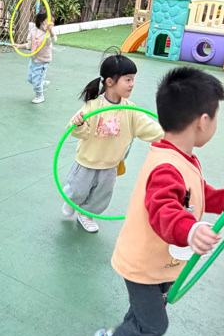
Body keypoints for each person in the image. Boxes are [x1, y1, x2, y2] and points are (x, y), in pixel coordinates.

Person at [94, 66, 224, 336]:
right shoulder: (167, 167)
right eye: (216, 117)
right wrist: (191, 230)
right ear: (203, 121)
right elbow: (164, 210)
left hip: (163, 261)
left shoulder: (180, 157)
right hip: (143, 262)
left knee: (149, 308)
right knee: (155, 323)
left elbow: (198, 193)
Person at [62, 51, 162, 233]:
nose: (132, 84)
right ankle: (72, 200)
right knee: (78, 189)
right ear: (110, 82)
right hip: (87, 161)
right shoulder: (93, 106)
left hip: (110, 165)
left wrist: (169, 136)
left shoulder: (130, 110)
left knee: (101, 196)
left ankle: (87, 214)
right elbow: (79, 131)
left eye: (133, 79)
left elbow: (147, 126)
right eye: (128, 79)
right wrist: (78, 124)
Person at [26, 5, 56, 103]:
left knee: (36, 83)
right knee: (30, 79)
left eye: (52, 22)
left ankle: (40, 96)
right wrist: (18, 46)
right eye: (49, 21)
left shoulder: (48, 34)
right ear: (41, 21)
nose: (50, 24)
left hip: (43, 61)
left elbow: (54, 39)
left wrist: (50, 30)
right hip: (33, 59)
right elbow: (29, 45)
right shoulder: (34, 31)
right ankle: (42, 84)